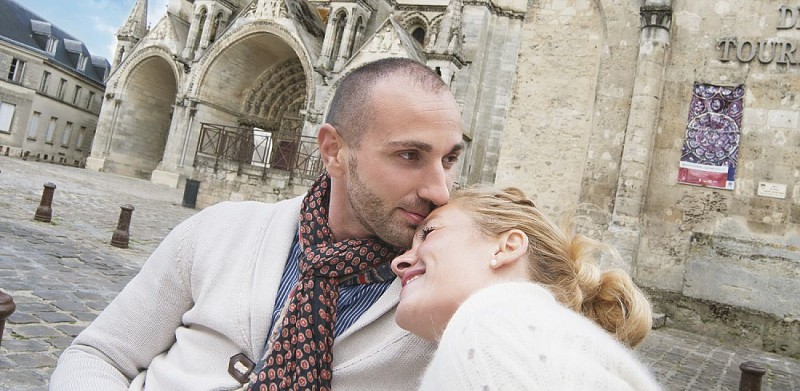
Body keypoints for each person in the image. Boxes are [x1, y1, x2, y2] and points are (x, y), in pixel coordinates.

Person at [50, 57, 465, 390]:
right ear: (334, 151)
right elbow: (99, 355)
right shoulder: (218, 230)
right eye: (410, 155)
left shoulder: (452, 288)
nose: (440, 191)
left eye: (449, 160)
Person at [391, 186, 661, 390]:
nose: (398, 262)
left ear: (507, 247)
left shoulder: (489, 326)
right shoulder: (530, 333)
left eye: (428, 233)